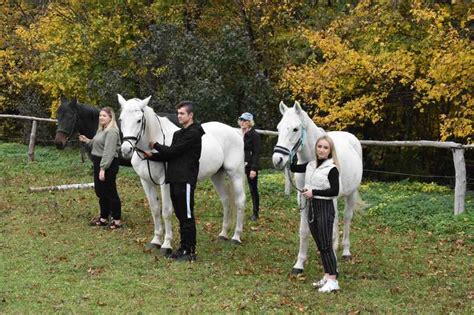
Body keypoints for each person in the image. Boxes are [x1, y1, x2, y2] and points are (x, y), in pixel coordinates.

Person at [144, 101, 205, 262]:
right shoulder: (179, 134)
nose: (179, 116)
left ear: (190, 115)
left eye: (182, 113)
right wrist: (152, 155)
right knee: (179, 215)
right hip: (174, 178)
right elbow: (170, 155)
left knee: (187, 215)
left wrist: (155, 145)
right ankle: (182, 248)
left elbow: (174, 151)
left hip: (185, 179)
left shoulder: (194, 133)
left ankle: (190, 251)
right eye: (178, 113)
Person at [290, 135, 340, 293]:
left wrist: (313, 192)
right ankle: (327, 275)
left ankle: (333, 280)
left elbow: (335, 191)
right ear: (316, 148)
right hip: (311, 207)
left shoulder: (332, 168)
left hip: (324, 207)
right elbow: (293, 167)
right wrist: (291, 151)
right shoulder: (311, 165)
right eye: (320, 146)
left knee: (326, 244)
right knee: (320, 244)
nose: (322, 150)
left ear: (330, 151)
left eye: (325, 147)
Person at [79, 107, 122, 229]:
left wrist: (103, 169)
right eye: (100, 115)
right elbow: (96, 143)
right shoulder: (101, 130)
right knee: (100, 191)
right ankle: (104, 217)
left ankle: (117, 219)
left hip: (108, 163)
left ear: (110, 117)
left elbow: (109, 151)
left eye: (104, 116)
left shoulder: (112, 131)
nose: (101, 118)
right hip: (99, 162)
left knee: (110, 191)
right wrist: (87, 140)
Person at [238, 112, 261, 221]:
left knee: (253, 189)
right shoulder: (238, 134)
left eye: (245, 121)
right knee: (239, 188)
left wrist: (254, 169)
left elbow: (256, 153)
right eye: (241, 120)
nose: (242, 122)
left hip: (250, 165)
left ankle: (255, 212)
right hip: (239, 165)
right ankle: (239, 209)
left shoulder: (255, 135)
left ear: (250, 122)